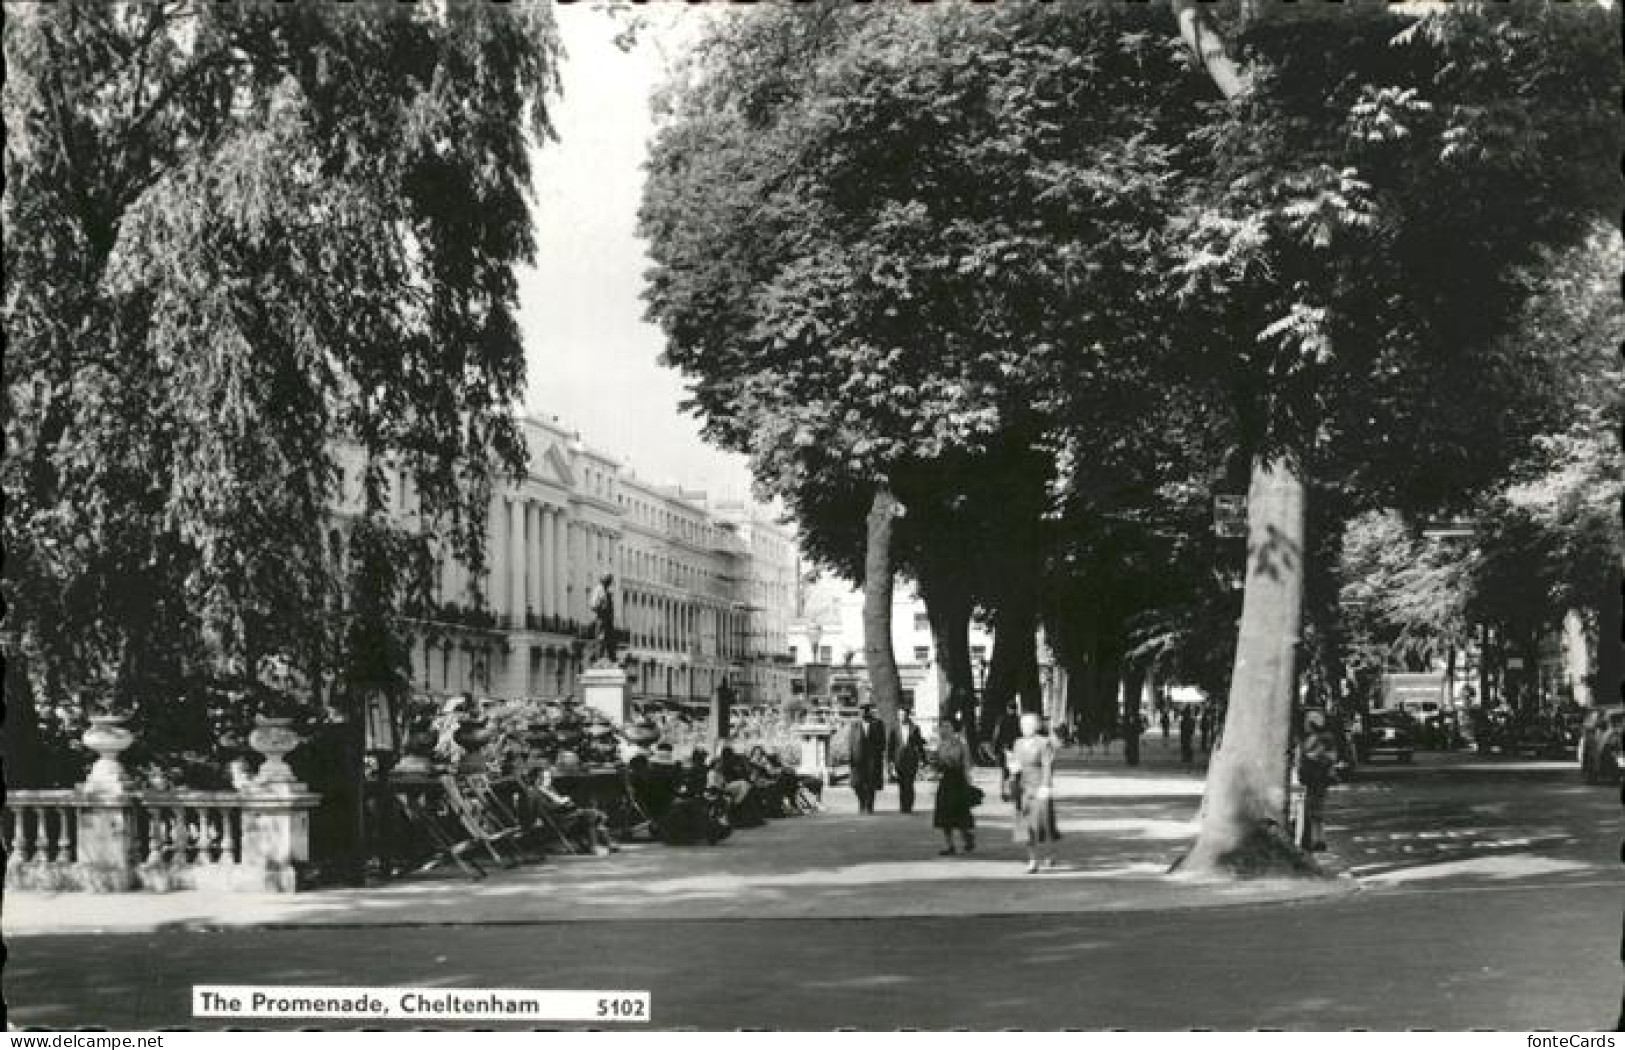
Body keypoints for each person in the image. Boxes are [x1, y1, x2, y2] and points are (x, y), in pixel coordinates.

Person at [1011, 712, 1058, 873]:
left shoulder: (1044, 743)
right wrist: (1012, 769)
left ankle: (1049, 852)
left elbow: (1047, 765)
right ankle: (1033, 860)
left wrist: (1046, 785)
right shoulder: (1017, 743)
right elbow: (1014, 762)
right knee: (1026, 825)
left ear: (1036, 727)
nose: (1023, 728)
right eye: (1022, 725)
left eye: (1027, 725)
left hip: (1039, 787)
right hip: (1022, 788)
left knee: (1042, 824)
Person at [931, 719, 976, 854]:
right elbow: (936, 764)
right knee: (944, 815)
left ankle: (967, 837)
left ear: (952, 728)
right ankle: (949, 845)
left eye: (947, 726)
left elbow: (966, 763)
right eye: (942, 727)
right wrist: (935, 763)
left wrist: (968, 779)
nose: (944, 729)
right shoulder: (940, 745)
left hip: (958, 781)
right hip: (946, 781)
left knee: (960, 812)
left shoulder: (960, 744)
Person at [1297, 711, 1338, 852]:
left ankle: (1315, 840)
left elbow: (1330, 757)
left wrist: (1312, 756)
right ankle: (1317, 839)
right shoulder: (1312, 738)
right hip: (1313, 779)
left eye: (1307, 722)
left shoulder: (1321, 738)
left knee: (1312, 810)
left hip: (1314, 779)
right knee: (1313, 810)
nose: (1305, 725)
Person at [846, 703, 887, 814]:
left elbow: (883, 742)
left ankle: (869, 806)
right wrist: (850, 757)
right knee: (857, 784)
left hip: (872, 759)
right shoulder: (855, 724)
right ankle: (862, 801)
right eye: (861, 712)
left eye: (865, 711)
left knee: (871, 783)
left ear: (869, 712)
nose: (862, 713)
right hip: (858, 759)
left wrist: (878, 753)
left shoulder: (878, 723)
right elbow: (850, 742)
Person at [888, 710, 926, 814]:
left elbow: (919, 744)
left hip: (911, 759)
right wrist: (890, 761)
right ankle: (902, 806)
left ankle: (908, 806)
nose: (902, 717)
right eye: (900, 715)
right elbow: (891, 746)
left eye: (903, 715)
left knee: (909, 783)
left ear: (908, 715)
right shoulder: (894, 728)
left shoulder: (915, 728)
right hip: (899, 760)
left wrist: (923, 759)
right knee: (901, 784)